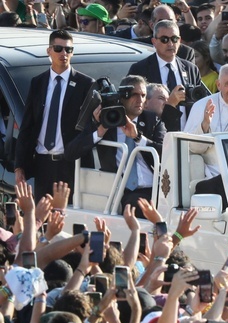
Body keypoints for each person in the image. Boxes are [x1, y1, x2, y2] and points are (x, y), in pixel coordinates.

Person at [65, 75, 166, 219]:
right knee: (138, 206)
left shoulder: (152, 120)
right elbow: (71, 153)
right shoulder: (107, 118)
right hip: (122, 190)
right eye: (134, 95)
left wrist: (138, 138)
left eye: (143, 95)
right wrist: (99, 132)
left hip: (154, 188)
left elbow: (166, 152)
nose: (140, 100)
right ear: (122, 97)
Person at [15, 29, 96, 202]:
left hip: (71, 164)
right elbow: (27, 126)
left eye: (68, 50)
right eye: (58, 49)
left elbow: (89, 127)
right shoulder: (38, 82)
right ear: (49, 51)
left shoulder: (85, 84)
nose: (64, 53)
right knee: (42, 221)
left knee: (69, 221)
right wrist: (20, 166)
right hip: (42, 164)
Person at [128, 20, 202, 131]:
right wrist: (169, 103)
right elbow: (132, 106)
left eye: (174, 39)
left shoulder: (190, 69)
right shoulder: (140, 69)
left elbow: (199, 103)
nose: (170, 44)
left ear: (180, 41)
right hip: (154, 135)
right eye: (164, 39)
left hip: (187, 136)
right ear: (154, 41)